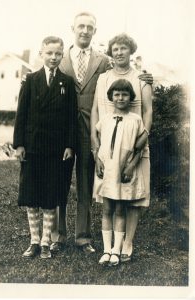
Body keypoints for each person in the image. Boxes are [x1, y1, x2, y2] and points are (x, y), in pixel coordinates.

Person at [51, 13, 153, 254]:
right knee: (59, 183)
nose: (85, 31)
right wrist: (26, 80)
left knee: (87, 183)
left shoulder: (104, 61)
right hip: (61, 131)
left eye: (90, 27)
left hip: (90, 130)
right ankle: (57, 235)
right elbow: (43, 76)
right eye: (81, 26)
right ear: (73, 28)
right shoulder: (61, 58)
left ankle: (83, 238)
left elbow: (123, 76)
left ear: (94, 31)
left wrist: (146, 77)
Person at [13, 36, 77, 259]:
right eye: (49, 53)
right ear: (41, 53)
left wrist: (70, 145)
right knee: (32, 195)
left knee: (50, 195)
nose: (53, 57)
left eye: (58, 54)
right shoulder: (30, 80)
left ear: (62, 55)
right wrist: (19, 144)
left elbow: (71, 118)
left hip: (56, 150)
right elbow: (21, 114)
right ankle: (33, 242)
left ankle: (47, 242)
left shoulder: (67, 83)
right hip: (33, 147)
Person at [91, 33, 153, 262]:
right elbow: (97, 112)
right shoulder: (104, 79)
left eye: (124, 48)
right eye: (115, 49)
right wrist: (95, 146)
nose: (119, 53)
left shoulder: (142, 78)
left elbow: (147, 112)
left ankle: (127, 243)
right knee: (111, 196)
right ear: (111, 52)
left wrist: (140, 144)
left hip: (134, 142)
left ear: (131, 51)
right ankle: (111, 246)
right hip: (108, 146)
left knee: (133, 196)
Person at [95, 79, 148, 266]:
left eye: (124, 94)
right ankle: (106, 250)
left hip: (123, 170)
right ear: (111, 97)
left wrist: (131, 165)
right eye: (116, 94)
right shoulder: (106, 119)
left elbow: (140, 147)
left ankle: (117, 250)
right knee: (107, 209)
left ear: (130, 97)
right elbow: (99, 144)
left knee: (119, 210)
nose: (120, 98)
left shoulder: (136, 120)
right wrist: (97, 162)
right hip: (108, 170)